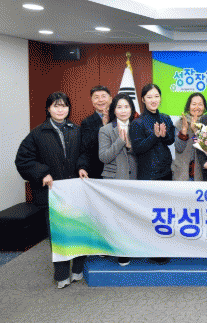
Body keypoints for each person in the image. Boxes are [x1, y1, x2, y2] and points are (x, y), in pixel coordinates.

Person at [15, 92, 89, 288]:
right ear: (48, 109)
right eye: (56, 106)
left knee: (78, 230)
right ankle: (62, 274)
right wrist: (42, 174)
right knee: (58, 234)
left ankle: (78, 269)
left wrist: (82, 167)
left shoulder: (76, 130)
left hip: (75, 191)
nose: (60, 109)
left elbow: (84, 153)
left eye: (64, 106)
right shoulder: (37, 133)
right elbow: (23, 160)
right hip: (52, 193)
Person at [98, 94, 138, 266]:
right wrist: (120, 142)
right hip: (113, 179)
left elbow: (143, 153)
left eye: (126, 107)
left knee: (129, 217)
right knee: (113, 217)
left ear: (132, 109)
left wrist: (131, 146)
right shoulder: (106, 130)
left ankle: (125, 250)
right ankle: (111, 247)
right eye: (119, 107)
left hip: (134, 179)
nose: (123, 110)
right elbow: (104, 157)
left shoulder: (137, 127)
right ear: (114, 110)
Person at [129, 83, 176, 181]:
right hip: (148, 174)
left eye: (156, 96)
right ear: (143, 99)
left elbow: (171, 140)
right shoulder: (137, 122)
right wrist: (154, 136)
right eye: (149, 97)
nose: (153, 100)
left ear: (160, 98)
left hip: (166, 171)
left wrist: (164, 136)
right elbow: (137, 149)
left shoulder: (165, 118)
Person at [172, 92, 207, 181]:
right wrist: (184, 131)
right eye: (194, 104)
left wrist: (196, 130)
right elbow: (179, 148)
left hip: (202, 173)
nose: (197, 107)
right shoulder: (180, 123)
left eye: (200, 104)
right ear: (189, 106)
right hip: (182, 173)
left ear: (204, 107)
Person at [81, 85, 112, 179]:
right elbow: (88, 148)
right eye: (96, 97)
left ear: (110, 99)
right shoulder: (86, 122)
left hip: (118, 169)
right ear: (92, 101)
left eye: (103, 96)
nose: (100, 100)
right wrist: (103, 127)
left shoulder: (119, 117)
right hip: (97, 170)